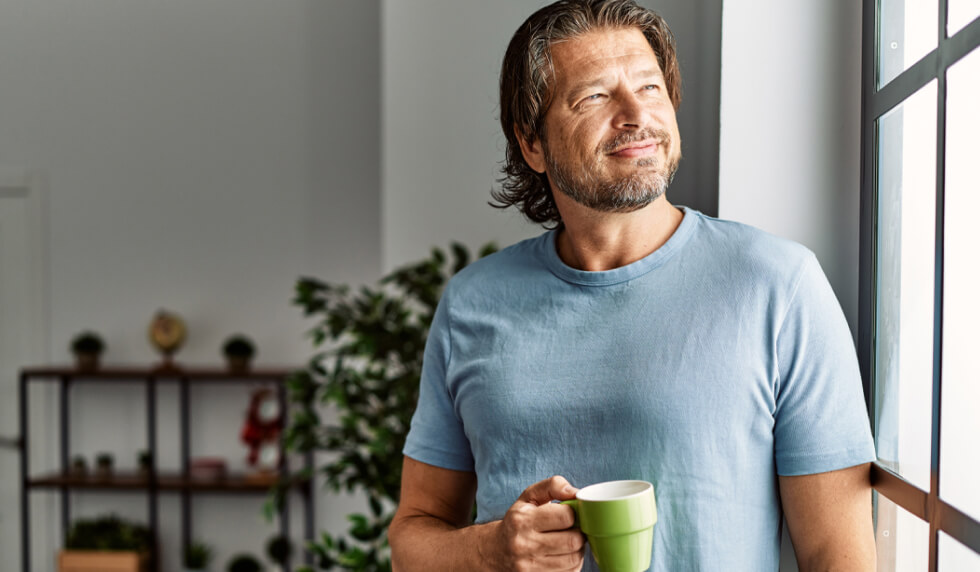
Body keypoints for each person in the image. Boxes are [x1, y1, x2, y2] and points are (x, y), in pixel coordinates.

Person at [388, 1, 877, 570]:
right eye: (594, 96)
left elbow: (838, 556)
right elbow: (411, 542)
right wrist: (491, 549)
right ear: (532, 144)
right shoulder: (472, 303)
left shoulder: (779, 285)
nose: (634, 114)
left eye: (649, 87)